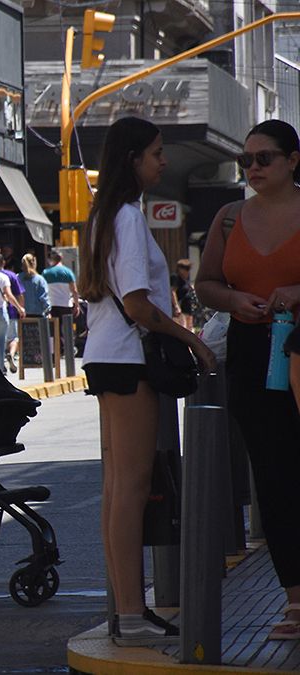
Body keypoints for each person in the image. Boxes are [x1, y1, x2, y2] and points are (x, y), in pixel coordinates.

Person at [79, 117, 216, 647]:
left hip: (103, 356)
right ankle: (133, 613)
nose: (163, 162)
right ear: (133, 158)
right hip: (132, 360)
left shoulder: (100, 216)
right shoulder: (129, 220)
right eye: (157, 153)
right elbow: (138, 303)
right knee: (132, 489)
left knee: (118, 489)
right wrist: (194, 341)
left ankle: (127, 612)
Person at [195, 118, 300, 641]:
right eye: (246, 160)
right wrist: (236, 299)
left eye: (265, 158)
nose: (254, 168)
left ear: (293, 161)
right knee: (274, 475)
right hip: (253, 350)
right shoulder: (229, 218)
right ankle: (295, 600)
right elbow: (207, 283)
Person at [0, 255, 26, 373]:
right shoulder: (10, 275)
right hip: (11, 312)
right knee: (13, 338)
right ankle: (10, 354)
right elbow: (19, 295)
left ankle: (0, 361)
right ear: (3, 262)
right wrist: (20, 309)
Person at [169, 259, 198, 330]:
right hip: (181, 310)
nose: (188, 272)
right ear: (180, 269)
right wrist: (176, 306)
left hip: (188, 309)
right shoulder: (175, 278)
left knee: (189, 329)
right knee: (183, 328)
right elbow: (173, 291)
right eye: (186, 269)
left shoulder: (185, 280)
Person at [19, 253, 50, 319]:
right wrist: (48, 311)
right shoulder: (40, 280)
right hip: (38, 314)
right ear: (34, 263)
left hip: (22, 315)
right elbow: (44, 297)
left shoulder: (17, 278)